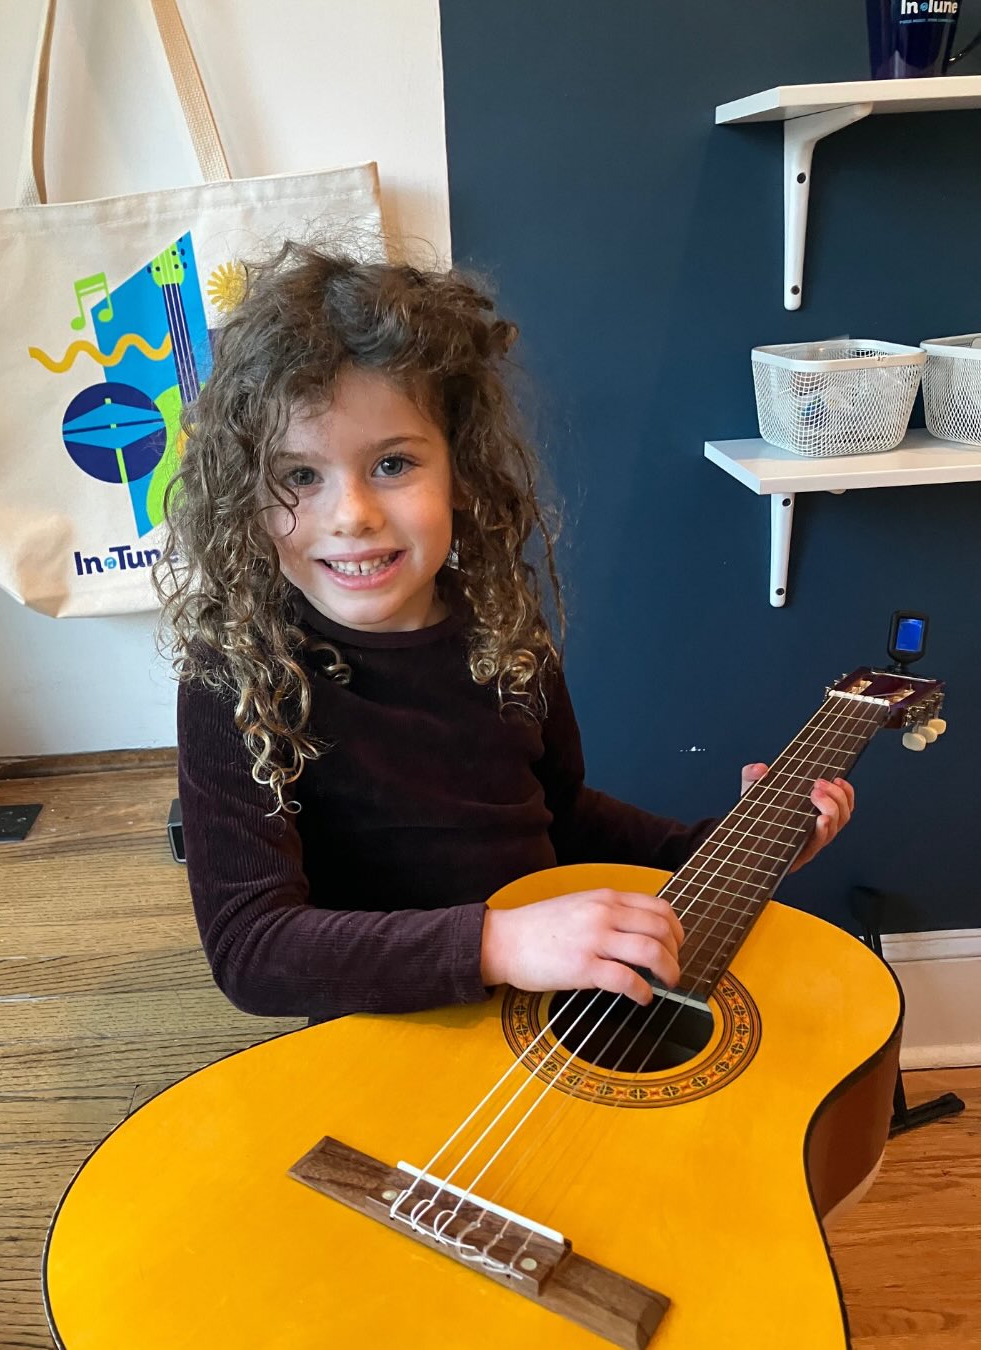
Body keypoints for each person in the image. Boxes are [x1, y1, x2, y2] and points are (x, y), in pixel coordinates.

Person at [159, 242, 854, 1024]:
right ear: (244, 494)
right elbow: (253, 949)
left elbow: (561, 815)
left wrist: (725, 846)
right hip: (386, 1043)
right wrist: (496, 944)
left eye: (392, 464)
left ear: (461, 470)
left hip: (550, 1017)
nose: (350, 514)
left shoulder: (503, 635)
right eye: (299, 476)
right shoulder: (238, 676)